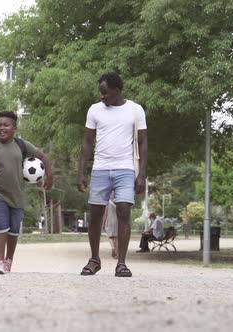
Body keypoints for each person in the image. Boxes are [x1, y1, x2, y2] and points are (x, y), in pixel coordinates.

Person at [77, 72, 148, 277]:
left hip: (125, 168)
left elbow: (143, 143)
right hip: (100, 169)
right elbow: (87, 143)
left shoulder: (135, 110)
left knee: (124, 211)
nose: (102, 97)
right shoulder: (94, 110)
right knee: (96, 216)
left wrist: (141, 174)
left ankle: (122, 263)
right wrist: (81, 172)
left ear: (117, 91)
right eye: (100, 93)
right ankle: (94, 259)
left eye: (105, 93)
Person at [0, 111, 53, 274]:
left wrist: (50, 174)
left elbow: (42, 157)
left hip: (16, 195)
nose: (1, 128)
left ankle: (8, 260)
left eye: (6, 125)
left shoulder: (22, 145)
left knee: (13, 230)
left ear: (14, 128)